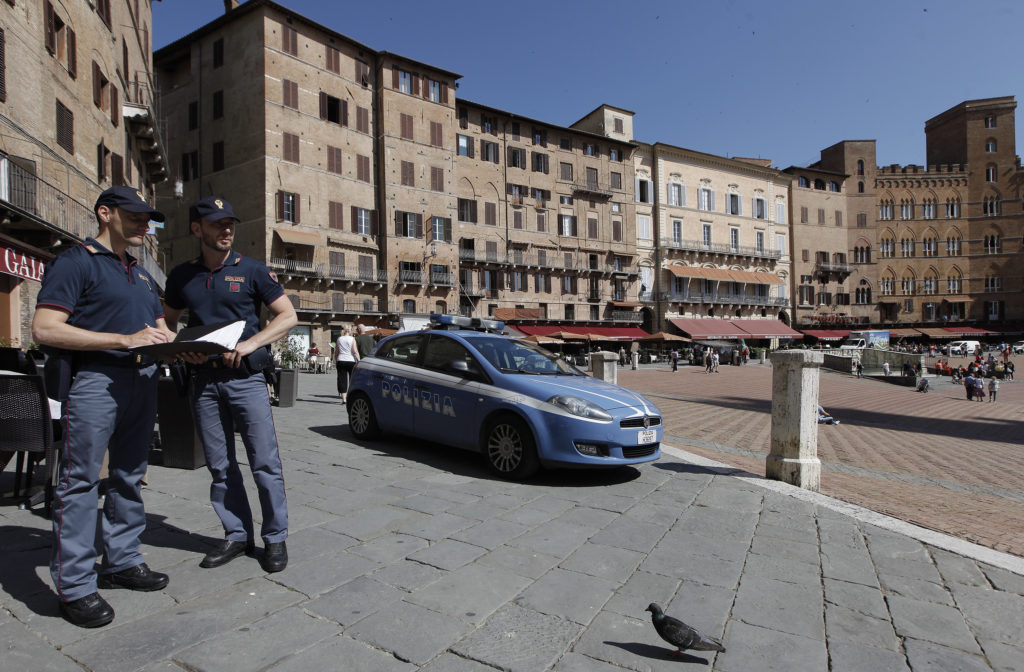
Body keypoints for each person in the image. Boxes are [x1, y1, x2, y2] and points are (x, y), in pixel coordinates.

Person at [32, 186, 174, 628]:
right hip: (96, 380)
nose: (143, 225)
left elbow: (158, 328)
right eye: (133, 216)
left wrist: (181, 344)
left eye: (147, 218)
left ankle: (121, 562)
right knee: (80, 482)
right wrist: (123, 340)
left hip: (143, 379)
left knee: (130, 476)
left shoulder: (142, 274)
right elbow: (45, 328)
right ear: (105, 213)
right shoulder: (75, 262)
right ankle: (74, 586)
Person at [163, 196, 297, 574]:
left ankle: (275, 537)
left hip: (246, 380)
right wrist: (178, 349)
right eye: (217, 224)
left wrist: (251, 344)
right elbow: (166, 322)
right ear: (197, 229)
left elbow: (288, 316)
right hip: (202, 382)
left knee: (264, 462)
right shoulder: (181, 276)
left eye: (230, 224)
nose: (226, 230)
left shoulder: (253, 270)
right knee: (220, 466)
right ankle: (237, 534)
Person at [336, 326, 359, 402]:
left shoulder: (339, 339)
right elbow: (355, 351)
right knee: (352, 379)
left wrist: (336, 358)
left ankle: (344, 399)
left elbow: (337, 351)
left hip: (341, 360)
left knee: (342, 379)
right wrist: (359, 360)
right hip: (351, 360)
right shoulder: (352, 339)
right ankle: (351, 396)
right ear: (349, 331)